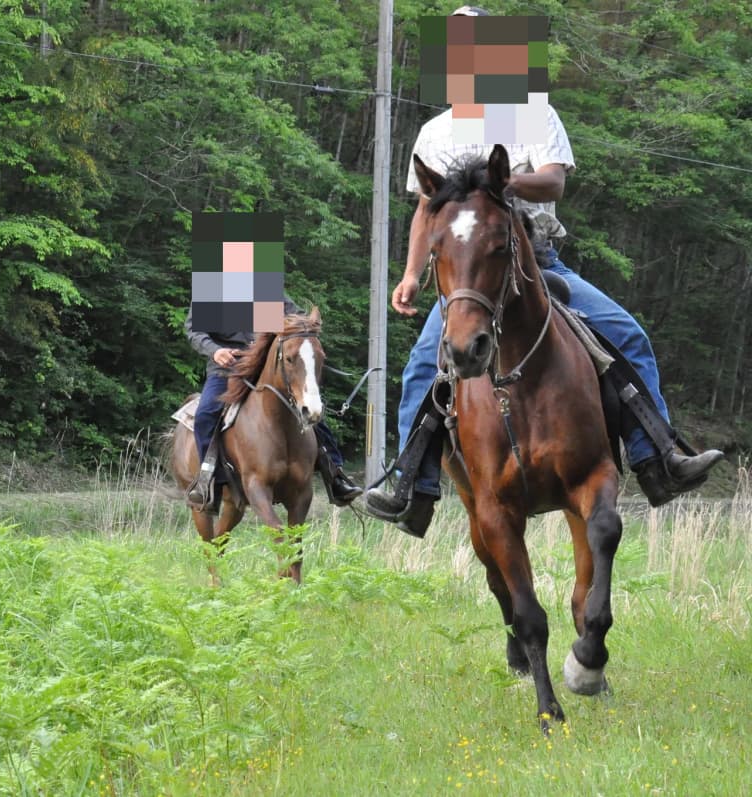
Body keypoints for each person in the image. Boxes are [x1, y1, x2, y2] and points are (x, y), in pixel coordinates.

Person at [364, 5, 723, 537]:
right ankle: (411, 487)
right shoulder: (434, 132)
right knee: (421, 366)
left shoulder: (531, 112)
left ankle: (658, 459)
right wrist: (413, 274)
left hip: (535, 262)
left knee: (628, 335)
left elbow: (553, 181)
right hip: (468, 277)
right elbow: (425, 210)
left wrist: (499, 184)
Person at [183, 297, 361, 511]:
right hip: (228, 369)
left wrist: (305, 326)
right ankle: (209, 481)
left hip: (267, 366)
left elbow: (296, 317)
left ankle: (335, 474)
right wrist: (215, 351)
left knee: (312, 411)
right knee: (206, 413)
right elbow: (194, 331)